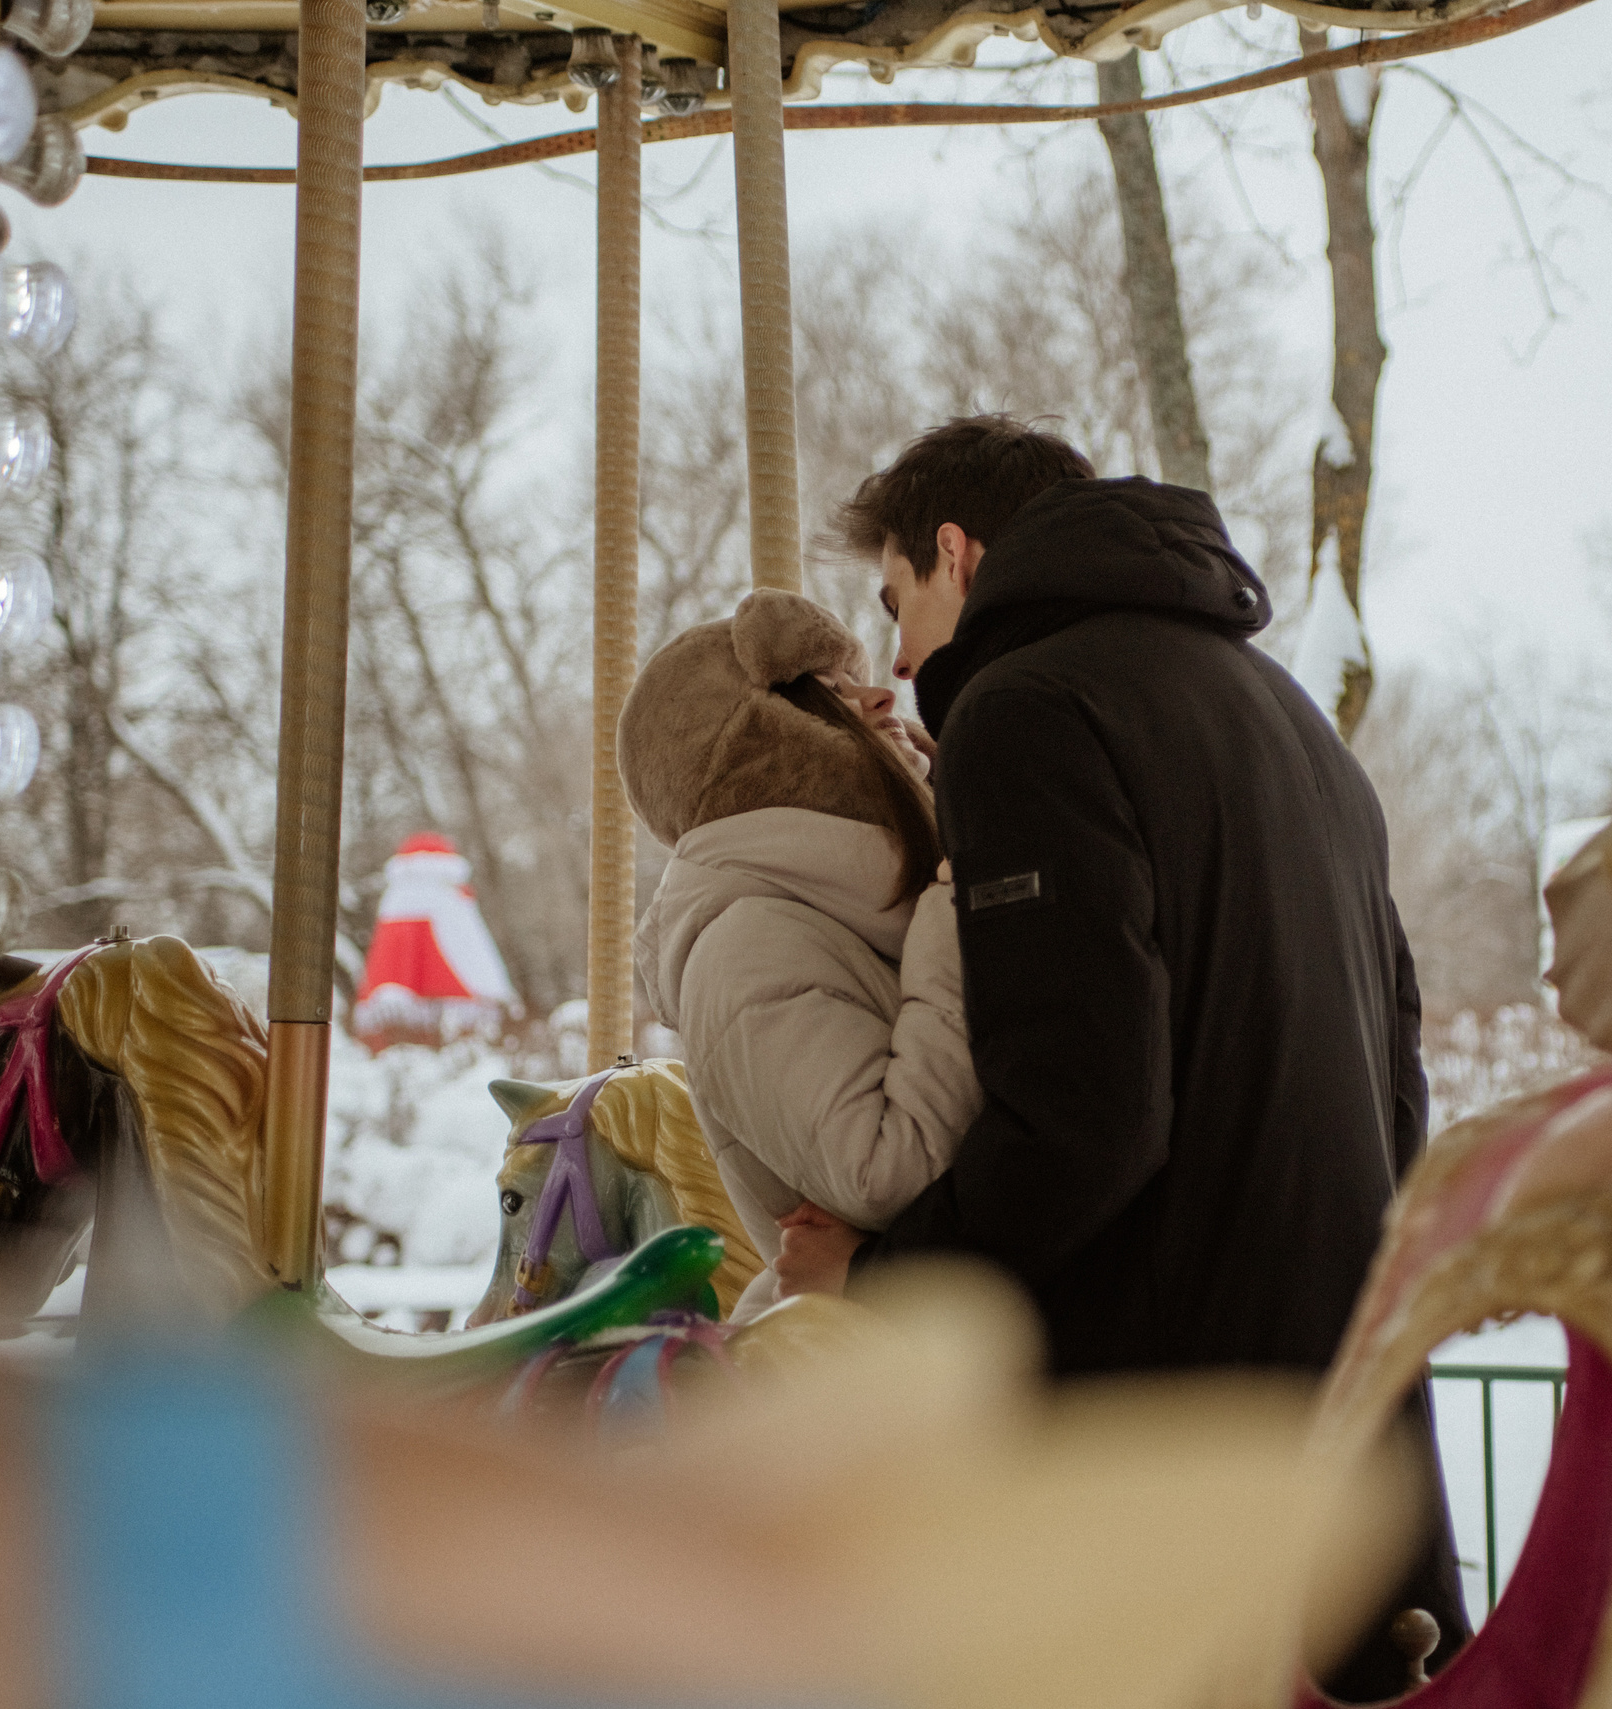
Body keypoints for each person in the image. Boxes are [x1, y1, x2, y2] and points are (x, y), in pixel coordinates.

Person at [780, 415, 1470, 1697]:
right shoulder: (1290, 718)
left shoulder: (1026, 711)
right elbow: (1397, 1083)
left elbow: (1083, 1112)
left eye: (896, 602)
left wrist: (876, 1271)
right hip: (1346, 1432)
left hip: (1168, 1457)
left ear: (954, 550)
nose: (897, 653)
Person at [619, 589, 981, 1325]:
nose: (883, 698)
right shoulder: (741, 948)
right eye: (837, 695)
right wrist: (958, 914)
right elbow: (881, 1171)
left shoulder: (858, 903)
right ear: (766, 742)